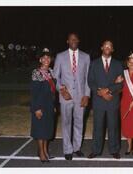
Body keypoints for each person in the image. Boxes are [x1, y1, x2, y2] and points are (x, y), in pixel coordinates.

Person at [53, 32, 90, 160]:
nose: (73, 40)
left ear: (78, 41)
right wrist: (61, 90)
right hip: (65, 96)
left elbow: (88, 79)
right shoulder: (60, 56)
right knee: (66, 123)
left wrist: (87, 95)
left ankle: (76, 148)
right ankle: (67, 149)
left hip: (81, 96)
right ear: (67, 41)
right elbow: (55, 77)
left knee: (79, 123)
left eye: (75, 39)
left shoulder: (86, 57)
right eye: (71, 39)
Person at [88, 40, 123, 159]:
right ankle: (96, 150)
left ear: (112, 49)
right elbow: (90, 81)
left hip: (112, 99)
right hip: (99, 100)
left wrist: (108, 90)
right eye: (105, 45)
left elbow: (120, 84)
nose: (107, 47)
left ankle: (114, 150)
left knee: (113, 126)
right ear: (101, 47)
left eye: (110, 46)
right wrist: (100, 92)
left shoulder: (118, 64)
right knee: (98, 126)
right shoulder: (94, 63)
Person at [30, 48, 56, 163]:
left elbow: (53, 91)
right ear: (40, 59)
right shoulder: (36, 72)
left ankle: (45, 151)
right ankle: (41, 152)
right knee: (40, 131)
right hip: (40, 105)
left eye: (48, 57)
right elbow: (34, 93)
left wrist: (54, 105)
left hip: (49, 105)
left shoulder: (51, 72)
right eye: (44, 57)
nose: (46, 59)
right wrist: (36, 108)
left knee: (47, 130)